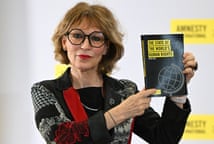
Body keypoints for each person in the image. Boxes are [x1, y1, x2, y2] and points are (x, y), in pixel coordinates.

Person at [31, 2, 198, 144]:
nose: (85, 46)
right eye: (77, 35)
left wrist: (178, 90)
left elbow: (164, 138)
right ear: (64, 42)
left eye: (96, 38)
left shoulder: (125, 91)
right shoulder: (44, 91)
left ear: (106, 47)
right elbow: (60, 138)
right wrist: (122, 112)